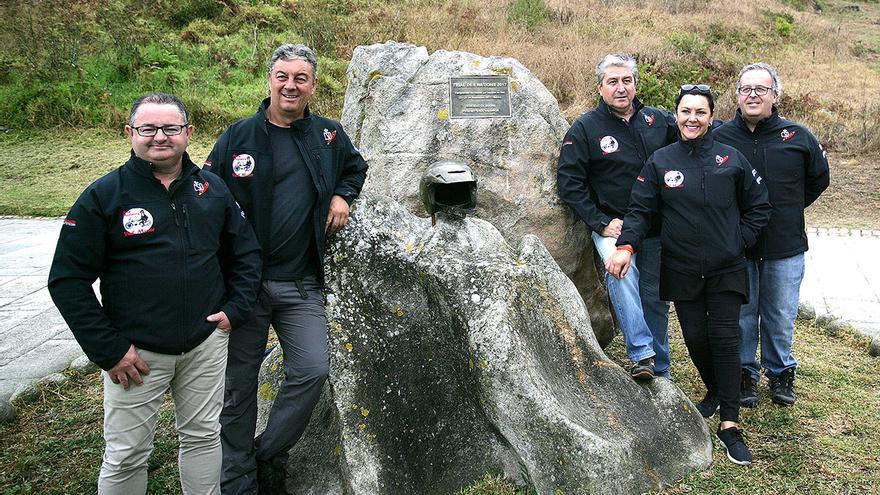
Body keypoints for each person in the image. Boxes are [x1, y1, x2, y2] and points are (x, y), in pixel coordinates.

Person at [48, 93, 262, 494]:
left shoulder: (211, 189)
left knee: (202, 436)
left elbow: (246, 253)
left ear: (188, 133)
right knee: (127, 453)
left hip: (205, 344)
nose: (159, 137)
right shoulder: (104, 196)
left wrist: (235, 309)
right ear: (130, 133)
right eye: (148, 128)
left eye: (170, 128)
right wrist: (108, 349)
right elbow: (67, 280)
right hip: (135, 355)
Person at [204, 43, 368, 493]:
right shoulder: (237, 137)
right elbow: (206, 195)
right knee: (238, 387)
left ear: (312, 85)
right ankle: (238, 479)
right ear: (269, 80)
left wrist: (341, 195)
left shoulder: (329, 136)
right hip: (245, 289)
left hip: (300, 283)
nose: (290, 85)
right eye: (282, 76)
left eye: (300, 78)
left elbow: (356, 168)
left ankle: (267, 453)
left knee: (313, 369)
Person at [606, 84, 772, 465]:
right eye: (685, 112)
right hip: (681, 268)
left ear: (712, 117)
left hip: (726, 269)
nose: (692, 118)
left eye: (700, 112)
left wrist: (737, 241)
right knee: (696, 339)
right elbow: (640, 210)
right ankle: (716, 390)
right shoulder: (661, 161)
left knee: (726, 339)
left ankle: (730, 423)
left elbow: (759, 206)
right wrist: (626, 246)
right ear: (676, 116)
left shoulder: (730, 158)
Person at [715, 62, 830, 408]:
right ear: (737, 96)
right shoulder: (720, 138)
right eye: (745, 89)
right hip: (738, 248)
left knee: (780, 314)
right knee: (744, 314)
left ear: (775, 95)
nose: (752, 95)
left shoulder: (798, 137)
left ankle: (780, 372)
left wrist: (791, 208)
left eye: (760, 89)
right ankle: (745, 374)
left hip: (785, 246)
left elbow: (818, 179)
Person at [557, 53, 677, 380]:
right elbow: (569, 183)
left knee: (655, 299)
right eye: (613, 81)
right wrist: (600, 221)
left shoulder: (659, 121)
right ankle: (641, 354)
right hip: (613, 226)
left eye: (627, 80)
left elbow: (691, 143)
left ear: (636, 84)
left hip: (655, 227)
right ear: (600, 87)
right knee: (620, 273)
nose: (620, 88)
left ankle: (660, 370)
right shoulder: (585, 128)